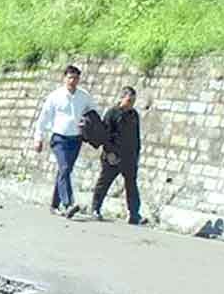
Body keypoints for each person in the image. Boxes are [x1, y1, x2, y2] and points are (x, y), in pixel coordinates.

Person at [33, 65, 98, 218]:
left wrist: (88, 122)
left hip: (76, 139)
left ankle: (54, 205)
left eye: (76, 78)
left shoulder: (84, 96)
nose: (73, 81)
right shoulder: (55, 96)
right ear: (64, 78)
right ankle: (68, 203)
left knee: (64, 171)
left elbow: (94, 112)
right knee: (65, 167)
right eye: (70, 77)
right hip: (59, 138)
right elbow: (43, 118)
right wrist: (38, 138)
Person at [92, 86, 143, 224]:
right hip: (113, 156)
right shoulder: (112, 113)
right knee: (104, 183)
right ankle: (95, 208)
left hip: (129, 157)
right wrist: (109, 153)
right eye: (129, 100)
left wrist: (137, 154)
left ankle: (134, 214)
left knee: (131, 185)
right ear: (122, 98)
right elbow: (105, 136)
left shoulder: (134, 115)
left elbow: (136, 136)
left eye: (133, 101)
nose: (131, 103)